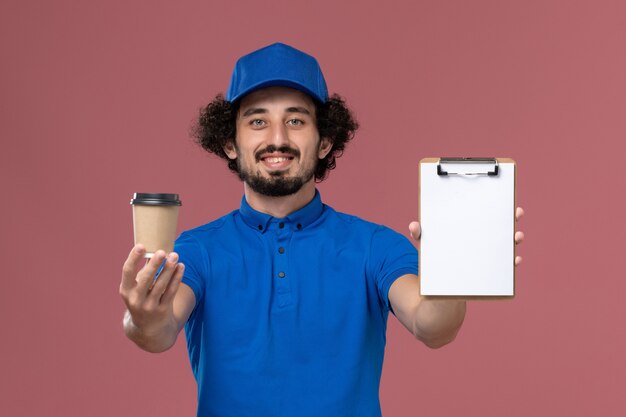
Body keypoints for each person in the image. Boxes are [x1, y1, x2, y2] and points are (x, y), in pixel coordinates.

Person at [119, 42, 525, 417]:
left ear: (325, 140)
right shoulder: (197, 250)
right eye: (257, 121)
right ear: (230, 142)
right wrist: (140, 316)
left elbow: (432, 326)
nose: (277, 139)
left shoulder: (375, 247)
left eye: (295, 120)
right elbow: (158, 330)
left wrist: (454, 278)